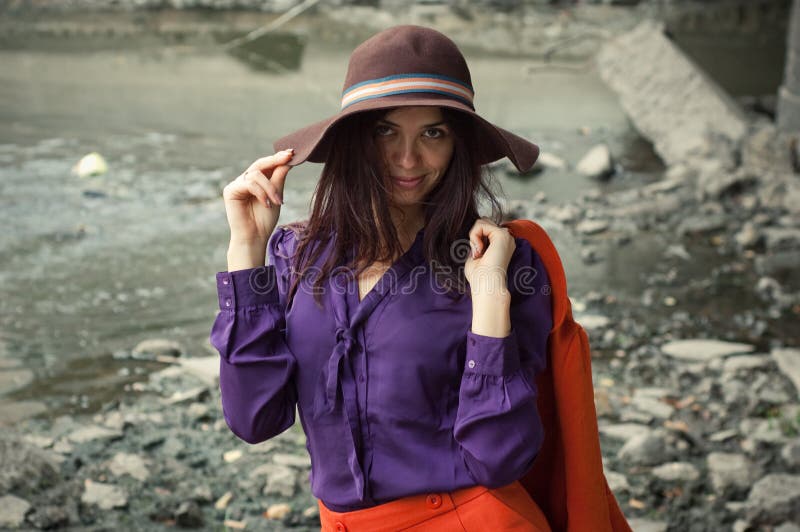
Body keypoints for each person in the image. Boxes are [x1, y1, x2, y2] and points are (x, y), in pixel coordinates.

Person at [210, 25, 555, 531]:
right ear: (354, 140)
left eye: (433, 133)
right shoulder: (295, 256)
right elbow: (255, 420)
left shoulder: (501, 265)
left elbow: (499, 459)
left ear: (458, 146)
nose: (408, 159)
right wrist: (246, 250)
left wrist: (488, 301)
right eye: (385, 131)